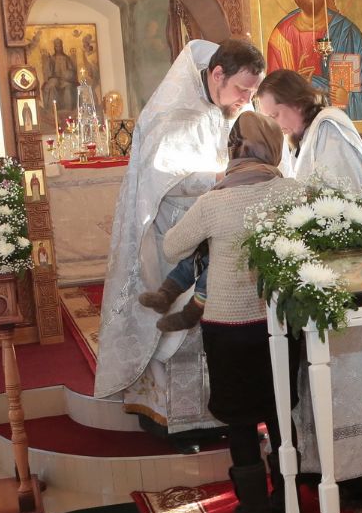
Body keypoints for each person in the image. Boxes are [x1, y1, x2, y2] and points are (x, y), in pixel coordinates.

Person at [93, 39, 265, 436]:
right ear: (217, 74)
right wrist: (221, 177)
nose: (246, 100)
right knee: (180, 324)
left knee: (222, 321)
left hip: (224, 231)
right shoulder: (171, 112)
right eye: (242, 89)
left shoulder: (235, 106)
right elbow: (162, 180)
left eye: (252, 92)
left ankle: (223, 414)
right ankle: (176, 420)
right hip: (173, 235)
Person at [256, 69, 362, 504]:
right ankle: (333, 465)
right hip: (322, 275)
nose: (276, 124)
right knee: (324, 373)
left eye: (276, 114)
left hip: (344, 272)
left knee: (349, 375)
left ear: (295, 103)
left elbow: (344, 203)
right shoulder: (306, 137)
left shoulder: (330, 131)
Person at [161, 111, 300, 513]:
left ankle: (254, 510)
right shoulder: (294, 192)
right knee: (279, 413)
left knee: (240, 419)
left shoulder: (213, 202)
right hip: (279, 322)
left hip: (228, 327)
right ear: (273, 147)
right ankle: (289, 500)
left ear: (233, 149)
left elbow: (171, 248)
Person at [265, 0, 362, 123]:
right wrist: (298, 88)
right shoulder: (281, 37)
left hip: (339, 128)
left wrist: (347, 98)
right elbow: (270, 100)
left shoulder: (348, 33)